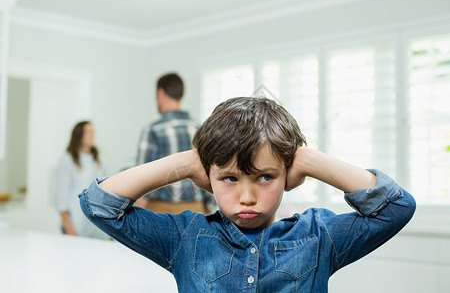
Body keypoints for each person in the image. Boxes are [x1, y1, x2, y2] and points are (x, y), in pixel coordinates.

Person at [79, 97, 416, 292]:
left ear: (287, 174)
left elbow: (398, 207)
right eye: (229, 178)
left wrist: (307, 159)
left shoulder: (318, 236)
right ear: (208, 176)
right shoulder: (185, 237)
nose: (247, 197)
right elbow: (99, 204)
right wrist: (188, 161)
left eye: (265, 177)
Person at [134, 72, 215, 214]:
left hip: (161, 211)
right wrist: (208, 205)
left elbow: (142, 178)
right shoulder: (200, 128)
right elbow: (210, 171)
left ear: (160, 93)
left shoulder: (153, 130)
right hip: (196, 209)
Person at [55, 121, 107, 239]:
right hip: (75, 225)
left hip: (96, 226)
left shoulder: (99, 160)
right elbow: (61, 198)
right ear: (79, 135)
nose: (92, 135)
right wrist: (68, 227)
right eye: (88, 132)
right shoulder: (67, 160)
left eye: (93, 132)